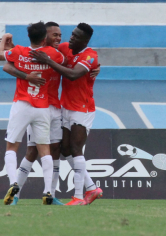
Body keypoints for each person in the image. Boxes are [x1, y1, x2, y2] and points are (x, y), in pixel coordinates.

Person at [30, 23, 103, 206]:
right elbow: (42, 47)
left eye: (75, 37)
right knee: (65, 150)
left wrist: (49, 61)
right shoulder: (65, 48)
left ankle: (79, 196)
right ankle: (92, 187)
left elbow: (72, 75)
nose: (70, 39)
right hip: (66, 107)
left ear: (84, 41)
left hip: (82, 108)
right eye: (71, 35)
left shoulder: (90, 56)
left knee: (76, 149)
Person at [0, 21, 65, 205]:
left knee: (12, 147)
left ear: (29, 37)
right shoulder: (53, 54)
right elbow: (61, 62)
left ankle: (13, 183)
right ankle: (48, 192)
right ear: (44, 38)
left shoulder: (18, 51)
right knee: (46, 151)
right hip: (43, 107)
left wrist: (5, 38)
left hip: (22, 104)